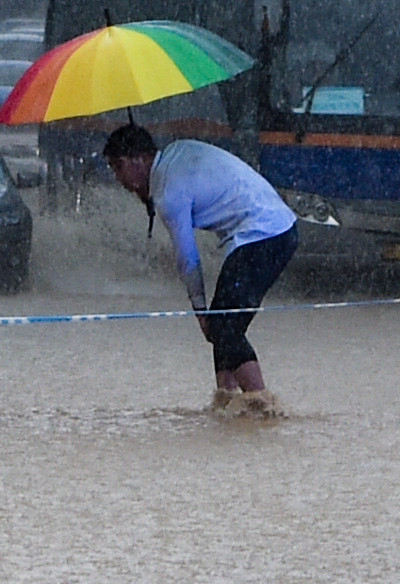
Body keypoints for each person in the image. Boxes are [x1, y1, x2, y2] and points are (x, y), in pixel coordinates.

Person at [102, 121, 298, 416]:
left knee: (223, 325)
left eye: (119, 167)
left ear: (140, 160)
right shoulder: (176, 153)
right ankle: (226, 402)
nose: (118, 178)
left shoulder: (168, 193)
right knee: (224, 327)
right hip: (274, 228)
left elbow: (187, 259)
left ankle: (261, 406)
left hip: (265, 234)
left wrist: (198, 309)